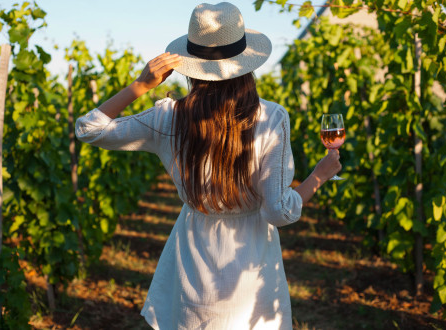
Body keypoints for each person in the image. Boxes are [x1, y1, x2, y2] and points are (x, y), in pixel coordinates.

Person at [75, 2, 341, 329]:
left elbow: (89, 129)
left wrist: (140, 85)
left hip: (193, 266)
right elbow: (279, 212)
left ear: (190, 64)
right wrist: (319, 176)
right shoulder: (272, 119)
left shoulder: (168, 117)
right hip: (251, 269)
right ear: (247, 62)